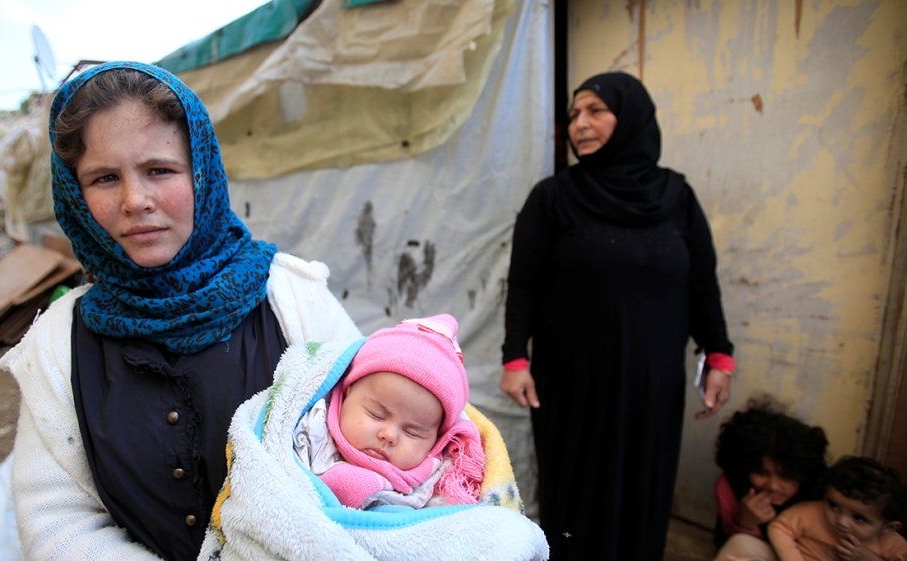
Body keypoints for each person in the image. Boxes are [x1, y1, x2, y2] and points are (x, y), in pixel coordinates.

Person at [0, 61, 361, 561]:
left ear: (203, 173)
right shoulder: (58, 344)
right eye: (104, 178)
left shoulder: (295, 299)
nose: (135, 200)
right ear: (75, 197)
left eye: (159, 170)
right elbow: (57, 521)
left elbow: (375, 459)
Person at [499, 71, 735, 560]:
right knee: (577, 489)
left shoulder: (677, 198)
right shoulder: (553, 197)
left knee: (643, 488)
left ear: (630, 118)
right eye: (573, 114)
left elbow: (701, 283)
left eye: (594, 111)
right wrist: (514, 359)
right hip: (572, 385)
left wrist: (720, 355)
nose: (579, 124)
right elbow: (522, 284)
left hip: (653, 387)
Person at [294, 314, 485, 510]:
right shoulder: (310, 427)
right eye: (376, 414)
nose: (389, 435)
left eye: (413, 432)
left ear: (438, 438)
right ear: (347, 391)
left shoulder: (440, 481)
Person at [713, 397, 829, 559]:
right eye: (761, 472)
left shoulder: (819, 494)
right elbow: (728, 546)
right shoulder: (732, 486)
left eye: (786, 476)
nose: (773, 486)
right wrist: (746, 524)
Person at [767, 456, 907, 561]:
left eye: (859, 518)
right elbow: (779, 528)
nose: (841, 521)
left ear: (888, 527)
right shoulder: (811, 513)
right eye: (833, 506)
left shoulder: (892, 544)